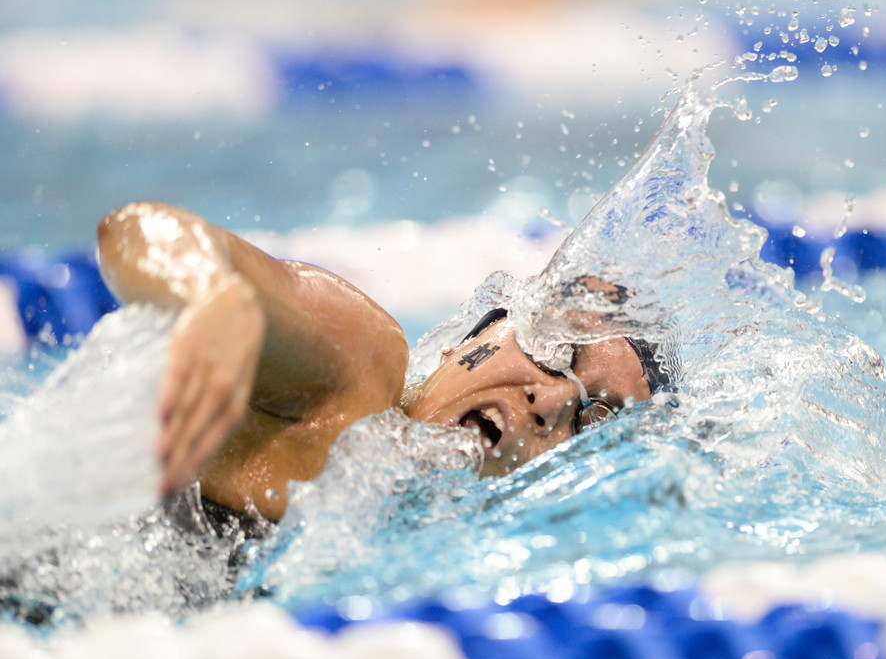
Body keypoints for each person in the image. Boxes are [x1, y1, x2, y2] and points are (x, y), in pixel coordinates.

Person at [97, 200, 659, 527]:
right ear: (466, 342)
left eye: (593, 422)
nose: (555, 401)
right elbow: (137, 229)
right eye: (557, 350)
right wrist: (213, 294)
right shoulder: (353, 370)